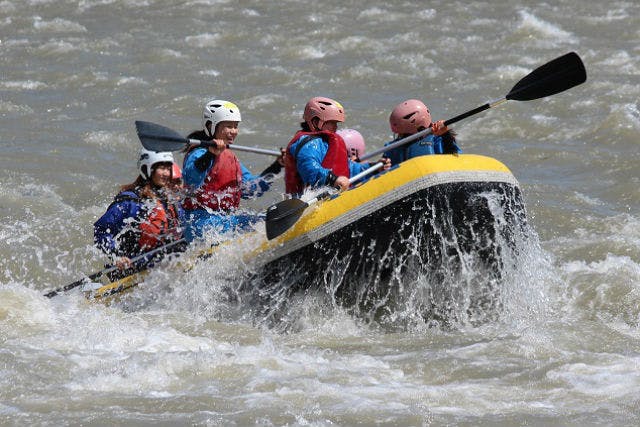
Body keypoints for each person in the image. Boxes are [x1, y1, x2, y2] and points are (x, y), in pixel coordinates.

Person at [182, 99, 284, 242]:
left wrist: (277, 166)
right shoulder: (198, 154)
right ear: (211, 126)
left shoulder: (229, 157)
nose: (234, 131)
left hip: (224, 221)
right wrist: (210, 154)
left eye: (236, 126)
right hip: (201, 225)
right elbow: (192, 178)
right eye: (228, 126)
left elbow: (250, 189)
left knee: (265, 220)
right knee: (259, 225)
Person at [94, 148, 186, 279]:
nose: (166, 173)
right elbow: (101, 231)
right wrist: (117, 257)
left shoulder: (169, 201)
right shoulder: (130, 202)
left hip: (162, 264)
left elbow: (183, 227)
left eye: (168, 168)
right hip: (132, 270)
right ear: (147, 169)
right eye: (161, 168)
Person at [284, 96, 389, 195]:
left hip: (333, 192)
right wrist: (333, 179)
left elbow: (348, 168)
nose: (336, 127)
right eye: (332, 122)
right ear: (316, 122)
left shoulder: (327, 141)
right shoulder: (309, 144)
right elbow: (309, 168)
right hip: (308, 199)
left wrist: (374, 167)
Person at [384, 99, 461, 164]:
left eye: (402, 133)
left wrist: (445, 134)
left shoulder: (438, 140)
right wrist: (382, 167)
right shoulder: (392, 147)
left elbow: (455, 157)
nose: (399, 135)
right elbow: (379, 169)